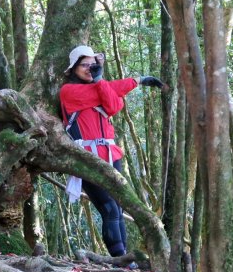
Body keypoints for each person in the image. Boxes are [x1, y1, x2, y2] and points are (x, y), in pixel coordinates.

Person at [59, 45, 163, 257]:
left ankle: (125, 258)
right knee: (109, 208)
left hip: (110, 154)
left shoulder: (100, 87)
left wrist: (105, 82)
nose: (90, 68)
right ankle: (119, 258)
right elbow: (109, 92)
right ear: (74, 69)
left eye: (93, 65)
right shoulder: (68, 91)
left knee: (118, 206)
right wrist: (138, 81)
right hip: (86, 156)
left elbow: (113, 106)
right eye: (84, 65)